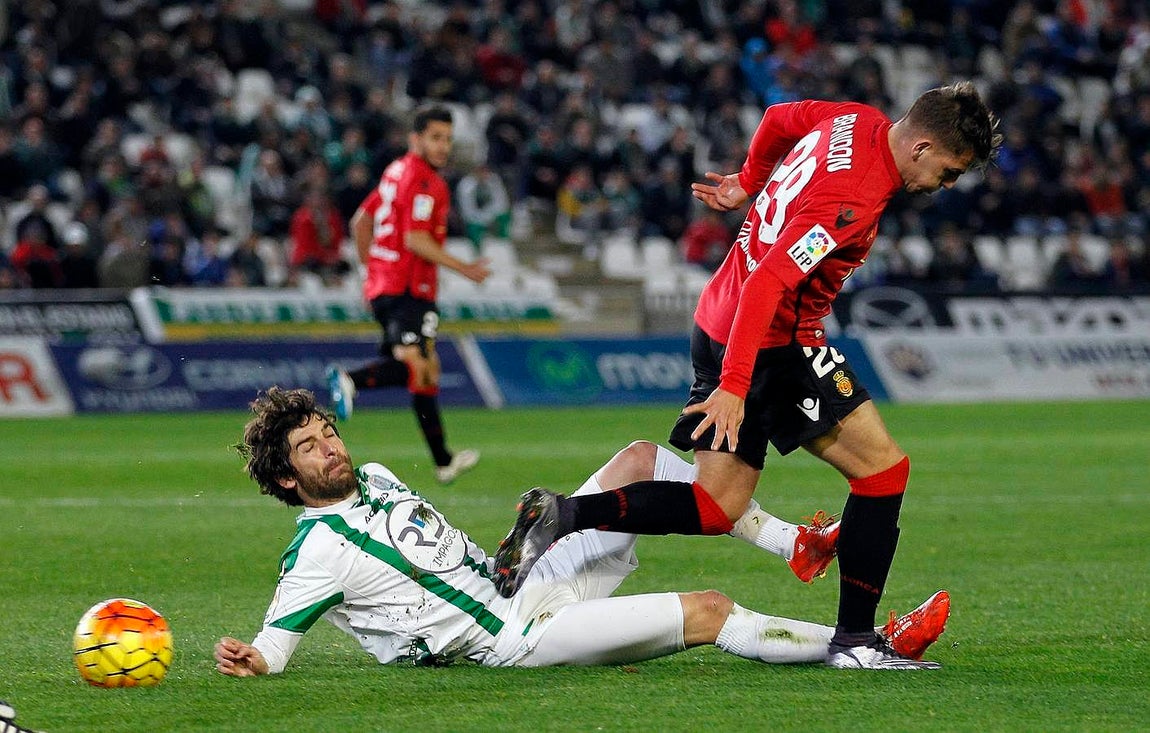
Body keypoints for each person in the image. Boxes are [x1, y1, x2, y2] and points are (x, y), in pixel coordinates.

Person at [492, 83, 999, 670]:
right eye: (951, 170)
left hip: (716, 317)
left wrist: (750, 179)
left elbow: (780, 118)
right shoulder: (853, 199)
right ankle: (856, 643)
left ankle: (565, 515)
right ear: (924, 146)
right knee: (883, 474)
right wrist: (735, 384)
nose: (947, 184)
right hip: (769, 344)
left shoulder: (854, 120)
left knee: (716, 505)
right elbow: (770, 285)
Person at [214, 387, 949, 676]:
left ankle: (794, 544)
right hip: (512, 637)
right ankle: (864, 650)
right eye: (310, 447)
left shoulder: (372, 473)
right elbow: (274, 649)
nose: (331, 447)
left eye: (328, 431)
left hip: (518, 580)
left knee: (639, 457)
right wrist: (252, 658)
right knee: (712, 610)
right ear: (285, 478)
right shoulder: (315, 551)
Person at [327, 106, 490, 485]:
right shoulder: (424, 181)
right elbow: (416, 240)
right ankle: (348, 379)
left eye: (448, 139)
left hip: (394, 285)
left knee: (427, 370)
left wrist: (372, 272)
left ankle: (443, 460)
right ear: (415, 138)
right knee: (417, 367)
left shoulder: (395, 171)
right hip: (406, 289)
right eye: (435, 137)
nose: (443, 146)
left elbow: (360, 222)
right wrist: (464, 268)